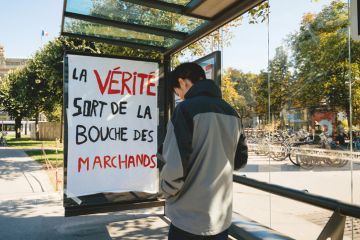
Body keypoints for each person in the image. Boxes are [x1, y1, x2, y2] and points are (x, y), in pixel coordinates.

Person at [158, 62, 248, 240]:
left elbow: (175, 166)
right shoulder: (232, 113)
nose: (180, 97)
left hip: (188, 219)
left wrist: (164, 190)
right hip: (221, 217)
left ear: (183, 82)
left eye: (178, 92)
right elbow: (240, 161)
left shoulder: (185, 110)